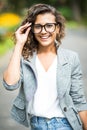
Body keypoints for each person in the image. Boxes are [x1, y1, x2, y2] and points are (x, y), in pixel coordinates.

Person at [3, 3, 87, 130]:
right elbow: (10, 84)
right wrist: (19, 44)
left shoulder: (71, 58)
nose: (44, 31)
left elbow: (78, 99)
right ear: (31, 29)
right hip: (36, 125)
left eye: (49, 26)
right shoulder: (25, 58)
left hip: (65, 124)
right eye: (38, 26)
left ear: (57, 28)